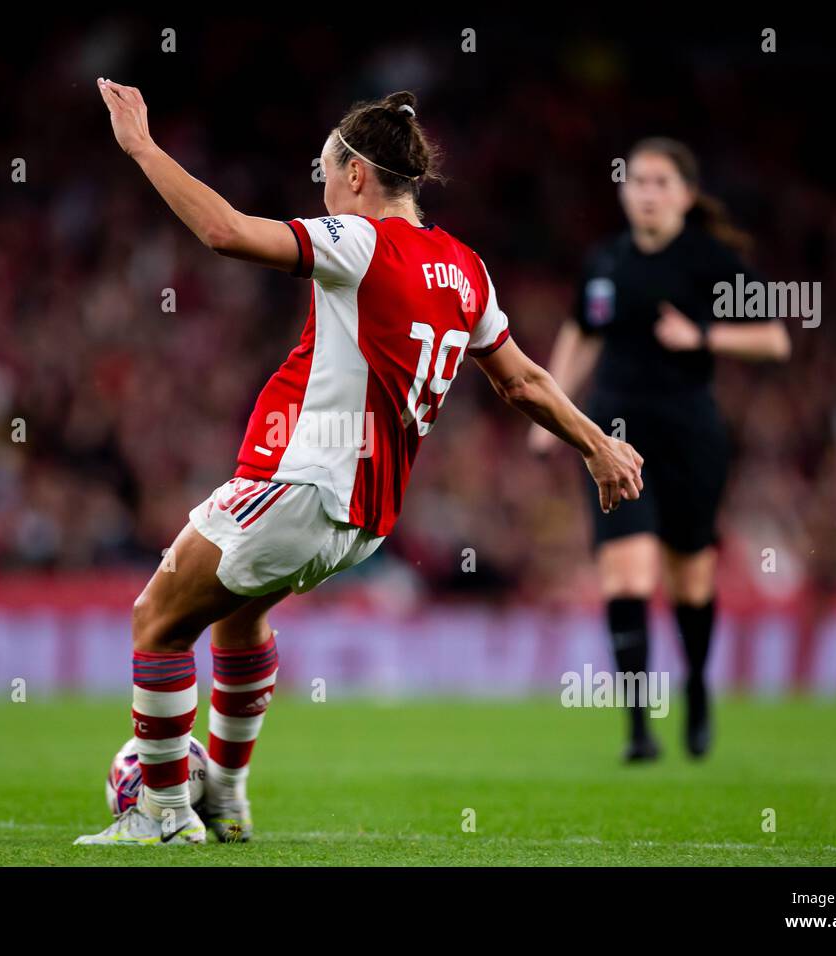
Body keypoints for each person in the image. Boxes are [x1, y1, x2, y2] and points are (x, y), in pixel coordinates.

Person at [78, 81, 643, 846]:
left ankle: (164, 815)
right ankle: (228, 796)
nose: (320, 189)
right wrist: (598, 445)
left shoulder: (359, 242)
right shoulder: (467, 268)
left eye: (324, 172)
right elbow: (522, 380)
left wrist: (141, 145)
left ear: (355, 176)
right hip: (364, 519)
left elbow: (223, 232)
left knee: (156, 622)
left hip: (299, 486)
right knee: (240, 620)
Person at [529, 138, 790, 761]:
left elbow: (775, 340)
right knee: (627, 572)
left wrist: (700, 333)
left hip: (691, 435)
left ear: (685, 195)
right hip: (614, 436)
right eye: (638, 181)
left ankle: (697, 689)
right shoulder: (604, 262)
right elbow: (582, 335)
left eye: (660, 183)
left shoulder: (710, 259)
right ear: (623, 189)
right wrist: (549, 413)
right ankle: (639, 729)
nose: (646, 193)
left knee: (690, 581)